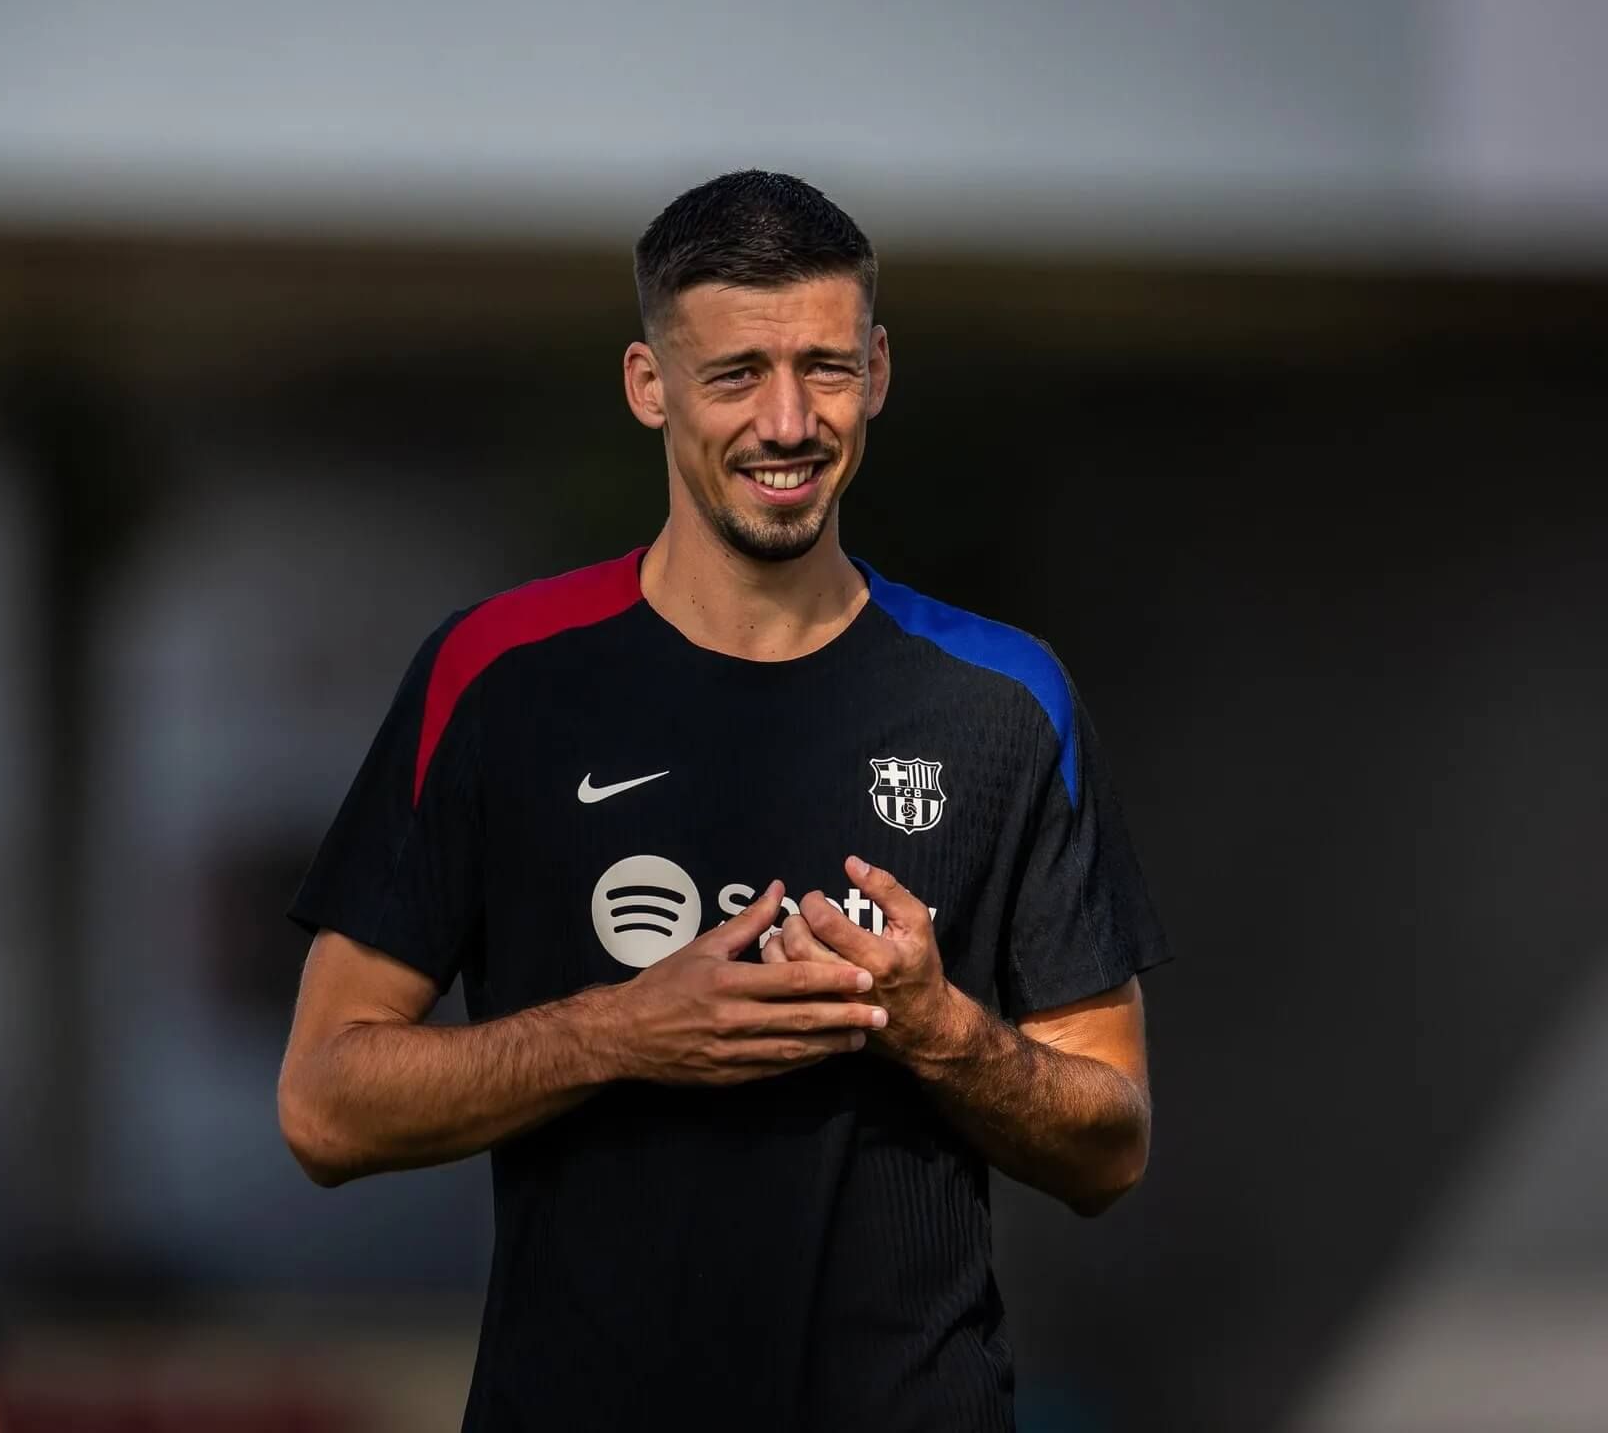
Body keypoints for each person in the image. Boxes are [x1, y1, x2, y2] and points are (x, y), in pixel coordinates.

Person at [278, 170, 1168, 1430]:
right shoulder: (498, 678)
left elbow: (1111, 1140)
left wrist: (940, 1029)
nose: (790, 421)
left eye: (828, 367)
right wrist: (621, 1032)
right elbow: (323, 1102)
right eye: (737, 373)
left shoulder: (1005, 700)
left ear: (881, 370)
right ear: (652, 385)